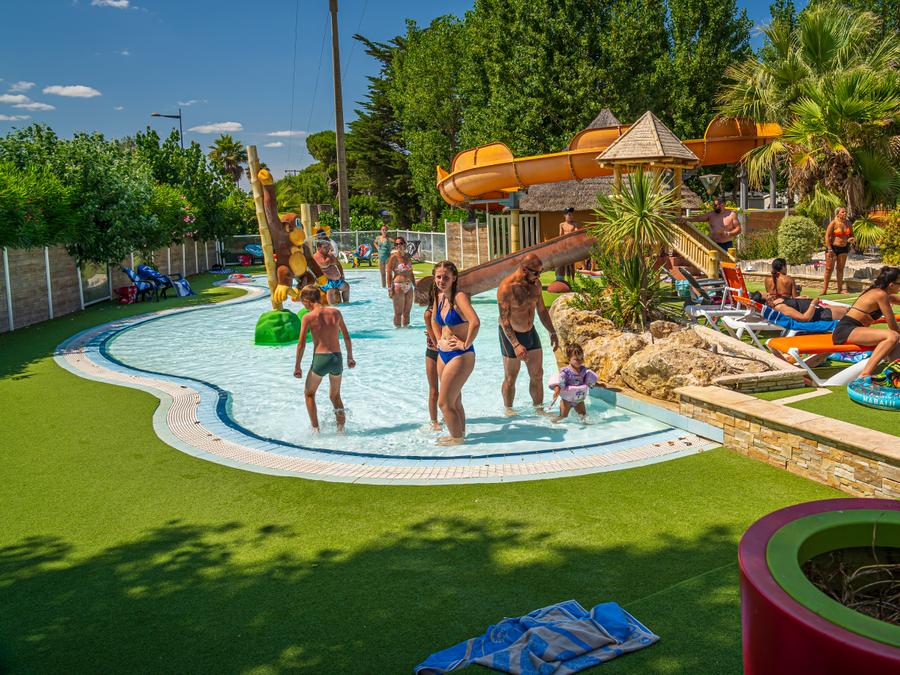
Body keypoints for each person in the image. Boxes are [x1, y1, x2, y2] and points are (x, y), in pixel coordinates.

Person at [497, 253, 559, 416]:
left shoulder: (535, 284)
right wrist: (516, 345)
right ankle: (509, 410)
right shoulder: (506, 288)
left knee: (537, 374)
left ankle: (539, 410)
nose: (539, 276)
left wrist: (552, 331)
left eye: (540, 272)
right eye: (536, 273)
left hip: (530, 332)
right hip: (510, 335)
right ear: (524, 270)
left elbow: (542, 310)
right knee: (511, 377)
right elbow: (504, 321)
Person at [293, 284, 356, 432]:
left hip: (320, 359)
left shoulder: (308, 317)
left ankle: (315, 430)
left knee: (309, 394)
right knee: (335, 396)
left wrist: (297, 366)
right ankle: (341, 430)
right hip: (337, 358)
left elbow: (301, 344)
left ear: (307, 300)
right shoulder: (336, 312)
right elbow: (346, 337)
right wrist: (350, 358)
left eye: (303, 303)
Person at [430, 261, 480, 445]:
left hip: (460, 355)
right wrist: (439, 341)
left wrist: (465, 344)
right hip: (444, 354)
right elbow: (434, 321)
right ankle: (460, 433)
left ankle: (456, 439)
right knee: (455, 399)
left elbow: (475, 322)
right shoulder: (439, 296)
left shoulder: (459, 297)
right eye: (438, 277)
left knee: (444, 403)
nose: (441, 281)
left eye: (446, 277)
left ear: (454, 278)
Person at [831, 266, 900, 379]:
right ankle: (864, 375)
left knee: (897, 341)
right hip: (846, 330)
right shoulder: (880, 295)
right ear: (891, 285)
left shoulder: (882, 293)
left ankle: (896, 375)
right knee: (893, 336)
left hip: (854, 330)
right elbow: (893, 326)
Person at [762, 258, 847, 322]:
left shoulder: (767, 280)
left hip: (782, 306)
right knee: (838, 309)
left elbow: (772, 293)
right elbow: (795, 298)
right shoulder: (788, 279)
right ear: (783, 267)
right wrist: (798, 291)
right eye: (786, 267)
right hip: (794, 306)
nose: (786, 269)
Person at [549, 344, 598, 422]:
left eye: (581, 358)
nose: (579, 361)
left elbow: (588, 382)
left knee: (583, 415)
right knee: (563, 416)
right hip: (567, 400)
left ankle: (587, 426)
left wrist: (598, 384)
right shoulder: (566, 372)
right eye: (576, 359)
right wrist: (557, 390)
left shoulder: (583, 370)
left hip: (579, 399)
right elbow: (560, 383)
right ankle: (553, 422)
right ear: (569, 359)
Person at [423, 273, 441, 430]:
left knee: (453, 390)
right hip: (433, 352)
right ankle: (434, 421)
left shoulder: (450, 310)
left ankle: (452, 414)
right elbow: (434, 340)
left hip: (447, 352)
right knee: (434, 390)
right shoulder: (428, 314)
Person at [823, 206, 855, 295]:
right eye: (842, 212)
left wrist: (851, 239)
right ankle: (824, 290)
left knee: (840, 269)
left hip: (844, 248)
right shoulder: (833, 223)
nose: (845, 213)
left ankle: (840, 289)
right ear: (837, 214)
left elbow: (851, 235)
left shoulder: (848, 223)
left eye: (845, 212)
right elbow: (827, 236)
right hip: (833, 248)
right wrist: (829, 249)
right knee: (829, 269)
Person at [387, 236, 416, 327]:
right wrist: (390, 289)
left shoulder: (408, 257)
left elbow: (411, 273)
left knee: (407, 313)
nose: (398, 245)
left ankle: (406, 332)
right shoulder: (393, 257)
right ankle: (397, 331)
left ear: (405, 244)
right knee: (398, 313)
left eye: (400, 243)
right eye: (396, 244)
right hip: (398, 286)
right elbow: (389, 274)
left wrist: (415, 286)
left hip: (409, 286)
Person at [556, 207, 581, 279]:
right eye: (569, 215)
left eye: (572, 214)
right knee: (565, 264)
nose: (571, 216)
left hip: (572, 246)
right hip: (564, 246)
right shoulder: (562, 224)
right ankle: (566, 279)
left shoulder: (575, 224)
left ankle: (572, 280)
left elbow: (577, 233)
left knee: (572, 264)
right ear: (565, 215)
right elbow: (560, 236)